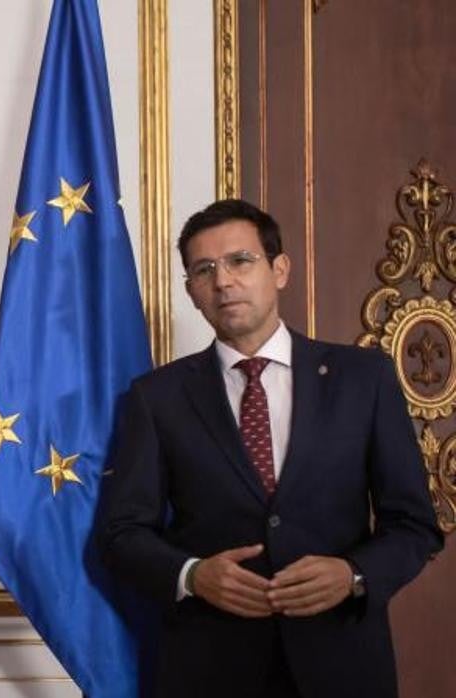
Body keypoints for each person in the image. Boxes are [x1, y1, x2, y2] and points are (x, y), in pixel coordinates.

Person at [99, 199, 442, 698]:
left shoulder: (362, 380)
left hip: (343, 667)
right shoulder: (157, 398)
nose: (223, 281)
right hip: (210, 670)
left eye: (240, 261)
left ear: (279, 270)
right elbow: (122, 533)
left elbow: (414, 526)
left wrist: (353, 574)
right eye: (204, 270)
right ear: (192, 292)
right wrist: (192, 576)